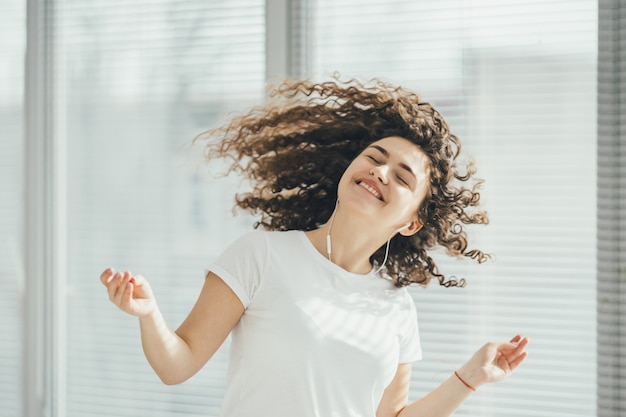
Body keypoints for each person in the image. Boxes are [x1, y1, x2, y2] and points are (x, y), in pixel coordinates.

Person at [100, 76, 529, 417]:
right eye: (374, 158)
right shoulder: (259, 256)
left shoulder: (396, 307)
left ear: (411, 222)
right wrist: (150, 313)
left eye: (402, 177)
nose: (381, 172)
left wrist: (471, 377)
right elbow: (178, 365)